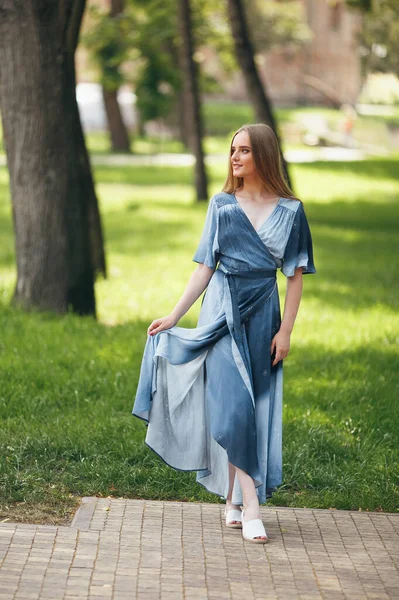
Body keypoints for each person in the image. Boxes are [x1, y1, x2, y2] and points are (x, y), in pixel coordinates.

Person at [132, 123, 316, 543]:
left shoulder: (291, 211)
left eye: (245, 150)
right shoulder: (222, 205)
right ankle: (252, 507)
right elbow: (204, 267)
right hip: (220, 313)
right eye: (232, 150)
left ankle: (232, 498)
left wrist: (285, 332)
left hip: (262, 316)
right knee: (233, 407)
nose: (235, 157)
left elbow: (295, 277)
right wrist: (175, 316)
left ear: (264, 155)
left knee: (249, 410)